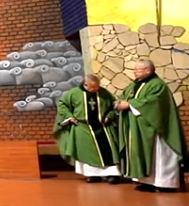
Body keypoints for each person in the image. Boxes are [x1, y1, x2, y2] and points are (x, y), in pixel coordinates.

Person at [116, 60, 187, 193]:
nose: (135, 72)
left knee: (158, 156)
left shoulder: (157, 85)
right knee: (143, 154)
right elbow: (124, 97)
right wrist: (119, 103)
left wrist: (130, 104)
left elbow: (155, 102)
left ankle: (164, 184)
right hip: (138, 127)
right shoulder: (135, 84)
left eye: (138, 70)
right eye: (135, 69)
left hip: (155, 128)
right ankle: (147, 182)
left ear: (148, 70)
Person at [54, 74, 123, 184]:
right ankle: (93, 175)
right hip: (83, 127)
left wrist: (110, 116)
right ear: (85, 84)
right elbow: (62, 105)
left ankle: (112, 174)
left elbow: (113, 106)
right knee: (86, 153)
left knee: (110, 150)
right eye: (93, 87)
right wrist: (69, 116)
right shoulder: (74, 93)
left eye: (97, 86)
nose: (96, 89)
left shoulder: (103, 93)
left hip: (103, 127)